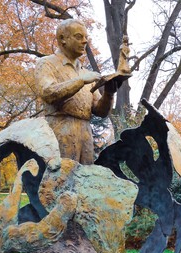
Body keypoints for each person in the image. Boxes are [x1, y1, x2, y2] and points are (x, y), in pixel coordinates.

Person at [34, 19, 118, 164]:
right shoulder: (46, 63)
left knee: (85, 179)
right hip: (60, 130)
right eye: (79, 37)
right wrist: (80, 81)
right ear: (62, 39)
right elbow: (48, 92)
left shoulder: (85, 72)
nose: (85, 41)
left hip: (85, 133)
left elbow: (100, 111)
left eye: (86, 38)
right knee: (62, 179)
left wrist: (109, 94)